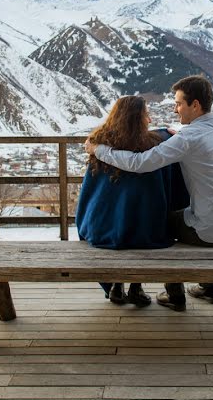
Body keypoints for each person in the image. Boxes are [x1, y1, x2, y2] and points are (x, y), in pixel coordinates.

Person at [84, 75, 213, 311]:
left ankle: (173, 294)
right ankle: (208, 287)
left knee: (158, 222)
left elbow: (139, 163)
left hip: (208, 232)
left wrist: (99, 149)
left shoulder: (189, 137)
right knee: (188, 212)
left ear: (195, 105)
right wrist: (174, 133)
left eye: (179, 103)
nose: (175, 108)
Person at [76, 95, 189, 307]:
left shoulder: (99, 146)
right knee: (143, 220)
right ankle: (135, 289)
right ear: (139, 119)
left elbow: (89, 197)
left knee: (123, 220)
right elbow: (177, 194)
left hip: (102, 230)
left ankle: (116, 286)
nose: (149, 119)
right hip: (148, 233)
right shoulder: (157, 146)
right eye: (146, 114)